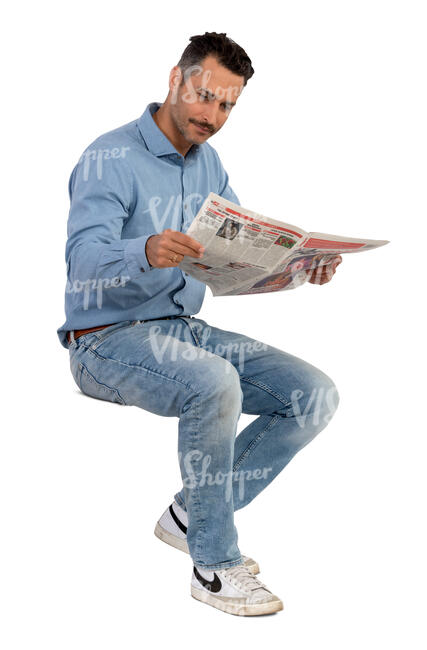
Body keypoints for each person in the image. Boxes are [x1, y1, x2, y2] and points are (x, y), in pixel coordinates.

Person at [57, 31, 342, 617]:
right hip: (106, 340)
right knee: (214, 383)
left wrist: (298, 266)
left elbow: (239, 247)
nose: (213, 116)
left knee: (312, 394)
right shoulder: (107, 158)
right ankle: (213, 562)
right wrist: (144, 250)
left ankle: (191, 514)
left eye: (228, 106)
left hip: (182, 328)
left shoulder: (208, 162)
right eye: (205, 96)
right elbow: (81, 260)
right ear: (175, 79)